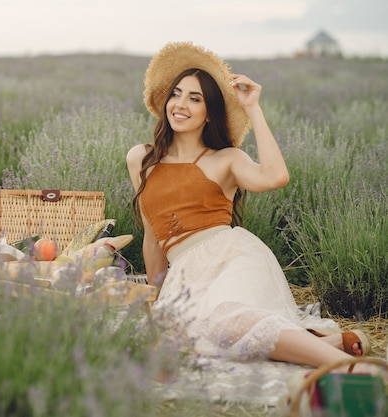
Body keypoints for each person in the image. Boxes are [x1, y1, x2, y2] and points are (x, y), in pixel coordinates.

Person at [126, 41, 369, 370]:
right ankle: (327, 342)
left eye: (194, 98)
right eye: (176, 94)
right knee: (193, 341)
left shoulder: (226, 159)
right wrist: (159, 298)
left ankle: (351, 369)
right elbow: (153, 239)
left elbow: (275, 176)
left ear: (209, 113)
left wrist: (254, 109)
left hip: (231, 257)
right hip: (185, 273)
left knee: (228, 323)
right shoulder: (141, 159)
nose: (180, 105)